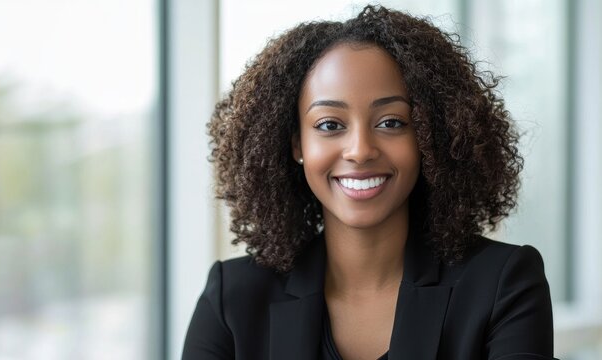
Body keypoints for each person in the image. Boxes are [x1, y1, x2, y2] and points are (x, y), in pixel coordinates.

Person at [182, 5, 555, 360]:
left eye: (391, 122)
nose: (360, 150)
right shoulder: (231, 299)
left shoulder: (504, 284)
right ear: (297, 143)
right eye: (330, 125)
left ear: (430, 136)